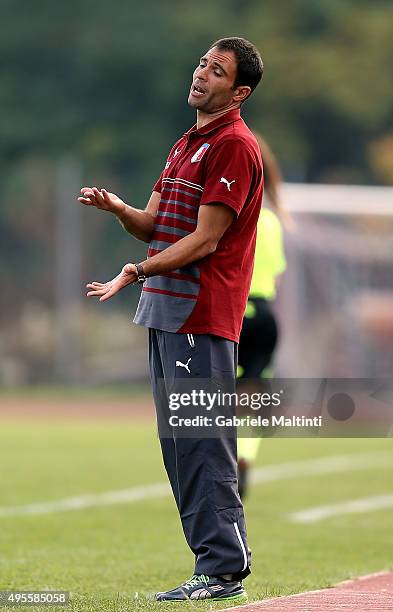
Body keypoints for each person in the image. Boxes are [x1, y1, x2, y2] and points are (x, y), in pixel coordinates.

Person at [78, 37, 264, 602]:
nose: (202, 73)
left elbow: (206, 240)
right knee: (179, 443)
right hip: (166, 305)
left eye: (218, 70)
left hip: (200, 310)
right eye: (203, 63)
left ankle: (224, 567)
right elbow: (154, 223)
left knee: (203, 441)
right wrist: (119, 211)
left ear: (240, 92)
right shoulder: (186, 143)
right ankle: (214, 562)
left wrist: (135, 269)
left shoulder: (233, 146)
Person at [236, 134, 287, 500]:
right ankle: (245, 458)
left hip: (233, 313)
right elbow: (276, 273)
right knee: (252, 397)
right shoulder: (271, 222)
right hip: (266, 316)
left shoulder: (232, 217)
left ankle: (221, 463)